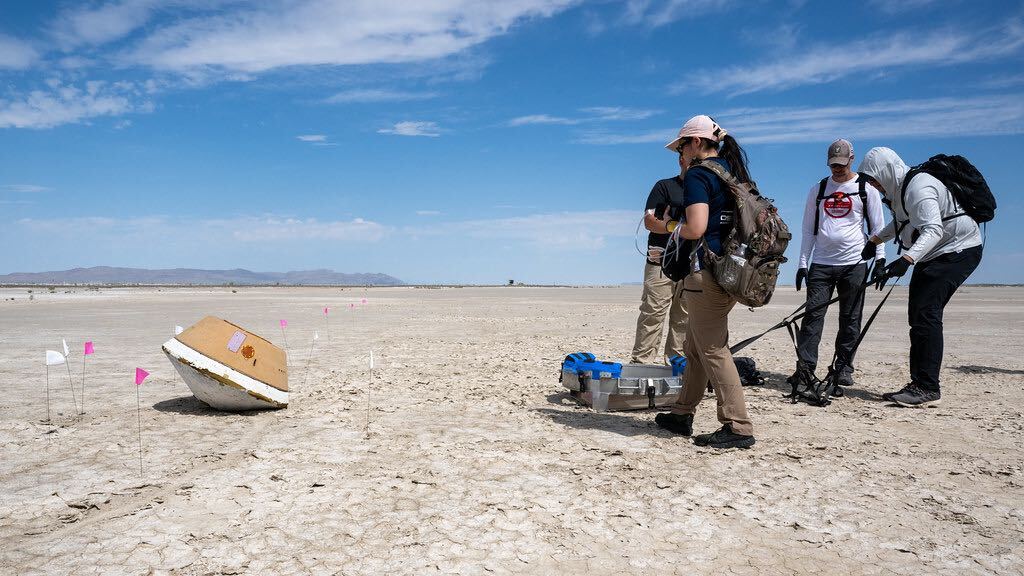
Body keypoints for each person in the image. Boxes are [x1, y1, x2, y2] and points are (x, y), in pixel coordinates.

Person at [652, 115, 755, 449]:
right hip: (730, 274)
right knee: (694, 348)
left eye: (681, 146)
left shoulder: (700, 174)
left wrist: (666, 228)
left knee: (712, 349)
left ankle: (738, 426)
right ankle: (682, 413)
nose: (680, 153)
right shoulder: (731, 173)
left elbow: (695, 228)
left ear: (695, 142)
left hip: (705, 274)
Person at [858, 147, 983, 407]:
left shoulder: (919, 186)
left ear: (886, 171)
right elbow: (903, 222)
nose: (872, 184)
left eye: (874, 178)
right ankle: (919, 383)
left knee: (926, 314)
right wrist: (876, 239)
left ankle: (927, 387)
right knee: (918, 315)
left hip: (958, 250)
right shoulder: (899, 191)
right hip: (935, 254)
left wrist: (905, 260)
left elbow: (933, 229)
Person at [790, 139, 886, 389]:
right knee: (812, 318)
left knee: (850, 319)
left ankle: (843, 368)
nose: (837, 169)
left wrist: (881, 258)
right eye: (833, 165)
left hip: (854, 263)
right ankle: (805, 369)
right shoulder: (818, 190)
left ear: (852, 159)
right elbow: (808, 230)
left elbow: (878, 228)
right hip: (821, 264)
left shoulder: (866, 189)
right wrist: (802, 264)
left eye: (842, 164)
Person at [631, 152, 689, 364]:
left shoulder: (704, 193)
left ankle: (677, 365)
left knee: (684, 318)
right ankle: (642, 364)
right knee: (652, 314)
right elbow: (649, 221)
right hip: (660, 261)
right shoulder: (664, 187)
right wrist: (677, 227)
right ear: (681, 159)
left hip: (692, 264)